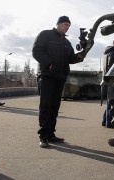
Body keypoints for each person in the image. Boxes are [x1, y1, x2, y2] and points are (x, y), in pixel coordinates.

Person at [32, 16, 85, 148]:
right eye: (65, 24)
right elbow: (36, 51)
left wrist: (79, 56)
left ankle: (51, 134)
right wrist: (49, 63)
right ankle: (43, 136)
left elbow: (71, 58)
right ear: (58, 24)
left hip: (60, 77)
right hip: (47, 76)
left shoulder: (67, 42)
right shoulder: (45, 35)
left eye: (68, 25)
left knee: (55, 107)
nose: (67, 27)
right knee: (46, 105)